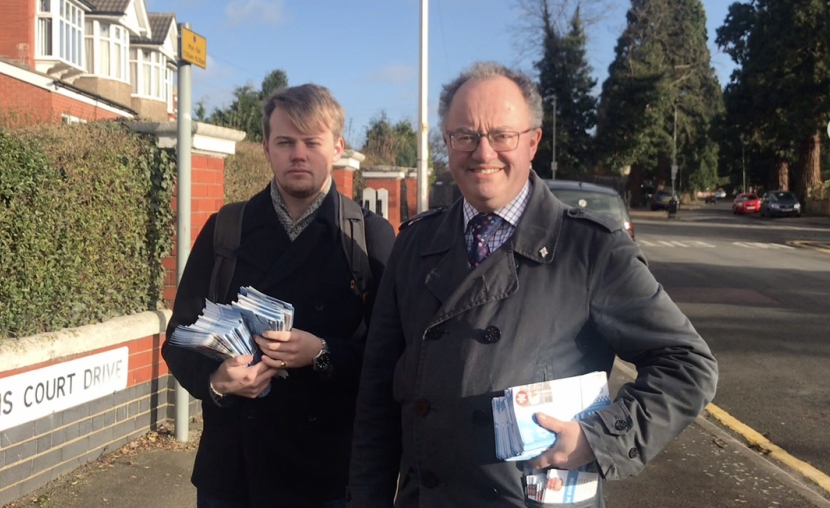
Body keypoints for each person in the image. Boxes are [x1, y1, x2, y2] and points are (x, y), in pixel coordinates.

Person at [348, 62, 718, 507]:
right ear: (447, 144)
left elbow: (687, 364)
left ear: (532, 142)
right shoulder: (414, 245)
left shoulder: (591, 249)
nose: (483, 153)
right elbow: (377, 400)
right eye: (465, 136)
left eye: (502, 135)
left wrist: (598, 438)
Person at [162, 83, 395, 508]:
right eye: (285, 142)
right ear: (267, 148)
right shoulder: (225, 230)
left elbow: (391, 357)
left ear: (337, 148)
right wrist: (217, 382)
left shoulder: (368, 237)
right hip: (232, 473)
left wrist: (322, 353)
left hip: (329, 476)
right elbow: (179, 338)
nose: (298, 154)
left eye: (312, 142)